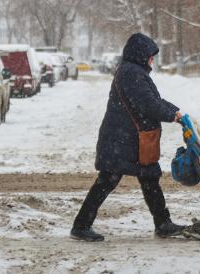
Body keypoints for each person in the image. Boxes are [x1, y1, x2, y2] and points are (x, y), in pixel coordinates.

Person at [70, 33, 185, 242]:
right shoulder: (132, 73)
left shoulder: (134, 72)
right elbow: (148, 104)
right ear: (140, 54)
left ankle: (163, 223)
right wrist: (171, 116)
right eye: (150, 55)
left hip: (130, 140)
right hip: (121, 140)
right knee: (108, 180)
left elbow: (153, 99)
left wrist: (175, 111)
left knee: (149, 178)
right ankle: (80, 226)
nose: (152, 59)